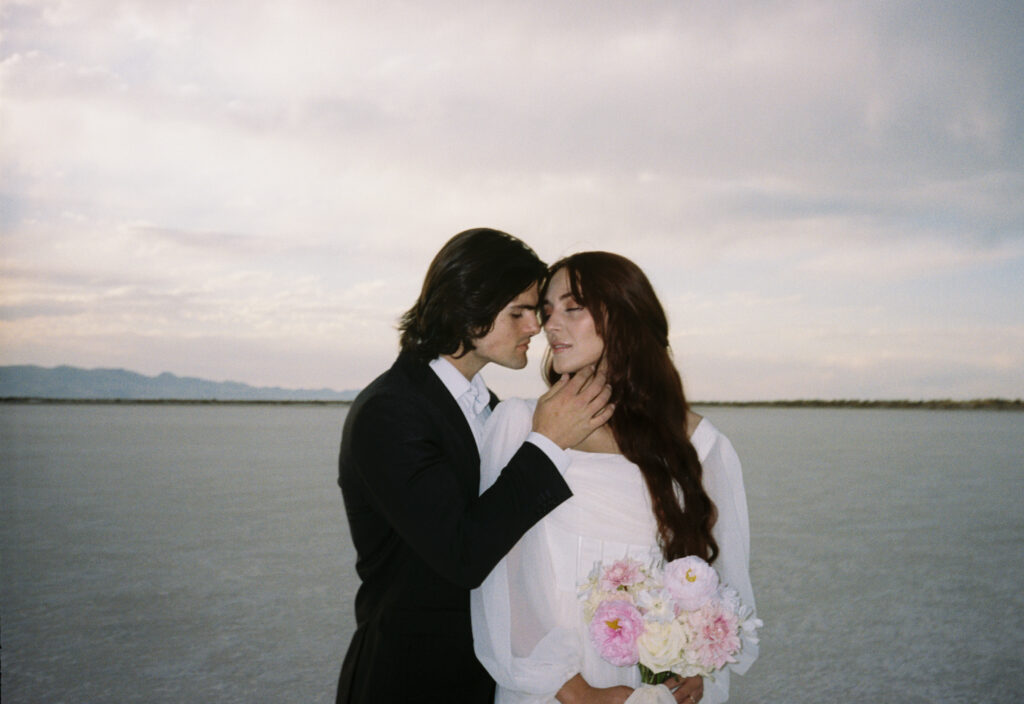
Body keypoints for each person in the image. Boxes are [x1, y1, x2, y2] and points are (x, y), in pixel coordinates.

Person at [336, 229, 615, 704]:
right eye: (519, 312)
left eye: (537, 311)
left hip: (486, 678)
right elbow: (462, 553)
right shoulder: (391, 411)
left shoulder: (484, 402)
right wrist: (547, 443)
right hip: (411, 680)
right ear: (467, 309)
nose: (536, 327)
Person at [472, 252, 758, 704]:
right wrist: (582, 694)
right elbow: (504, 585)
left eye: (572, 308)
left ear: (623, 315)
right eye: (547, 312)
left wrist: (695, 669)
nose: (551, 325)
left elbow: (718, 587)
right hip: (553, 689)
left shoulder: (702, 445)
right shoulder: (519, 424)